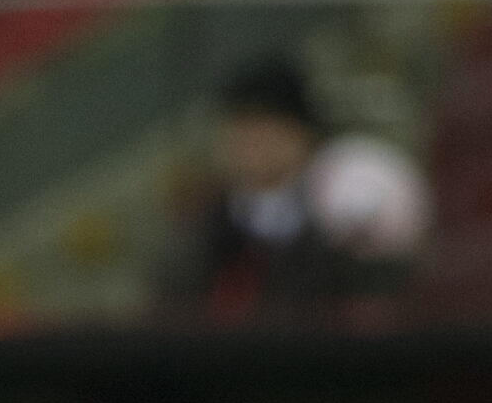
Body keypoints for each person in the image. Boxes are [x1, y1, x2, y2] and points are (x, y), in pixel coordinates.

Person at [158, 58, 429, 325]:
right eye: (241, 130)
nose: (252, 145)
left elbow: (376, 298)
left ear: (301, 133)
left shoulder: (344, 216)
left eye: (265, 128)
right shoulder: (204, 229)